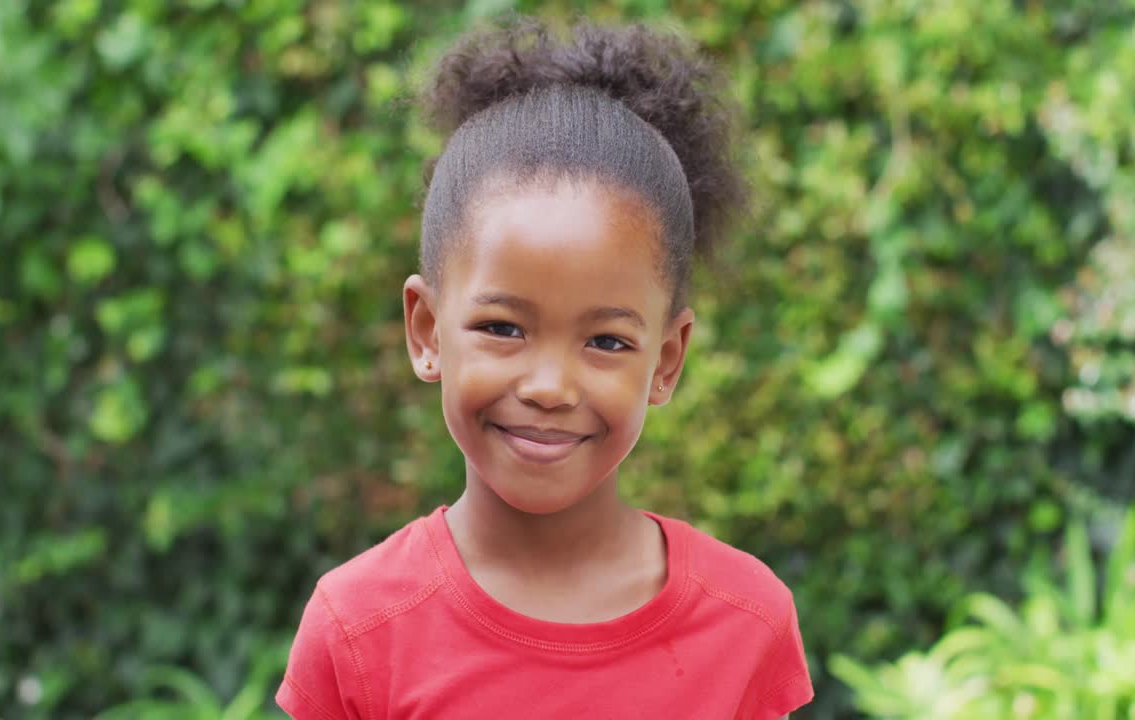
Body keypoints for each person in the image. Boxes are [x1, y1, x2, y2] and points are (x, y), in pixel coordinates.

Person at [277, 16, 813, 720]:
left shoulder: (745, 621)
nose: (550, 387)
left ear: (667, 359)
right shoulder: (357, 627)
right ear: (428, 329)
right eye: (503, 328)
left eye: (607, 342)